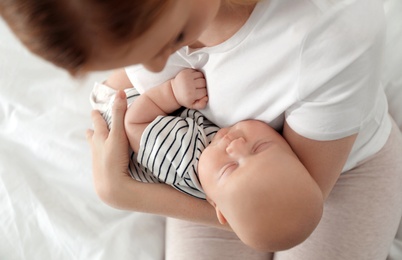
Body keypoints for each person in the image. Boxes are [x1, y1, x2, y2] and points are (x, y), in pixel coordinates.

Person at [1, 0, 401, 259]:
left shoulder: (332, 27)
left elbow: (297, 212)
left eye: (171, 39)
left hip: (334, 176)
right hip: (210, 172)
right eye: (136, 55)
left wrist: (126, 193)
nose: (155, 69)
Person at [91, 68, 320, 248]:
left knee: (129, 72)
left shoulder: (183, 155)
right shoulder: (226, 182)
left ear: (213, 203)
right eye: (260, 147)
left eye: (230, 168)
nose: (237, 146)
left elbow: (133, 123)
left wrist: (172, 92)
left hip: (119, 108)